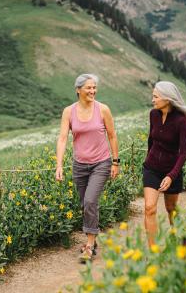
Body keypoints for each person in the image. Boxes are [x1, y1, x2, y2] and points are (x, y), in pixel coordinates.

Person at [55, 74, 120, 263]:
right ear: (78, 90)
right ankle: (93, 239)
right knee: (85, 204)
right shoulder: (69, 112)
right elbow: (62, 138)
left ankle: (89, 246)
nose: (92, 91)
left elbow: (112, 136)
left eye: (94, 87)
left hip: (101, 162)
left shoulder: (103, 109)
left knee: (91, 201)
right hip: (80, 165)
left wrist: (115, 162)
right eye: (88, 88)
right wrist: (59, 165)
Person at [142, 81, 186, 246]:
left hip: (172, 171)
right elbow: (151, 140)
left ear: (167, 99)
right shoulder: (153, 114)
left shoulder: (181, 120)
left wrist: (171, 176)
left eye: (155, 96)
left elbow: (183, 153)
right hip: (152, 169)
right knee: (149, 208)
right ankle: (153, 252)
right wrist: (148, 160)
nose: (152, 100)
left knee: (171, 209)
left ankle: (181, 241)